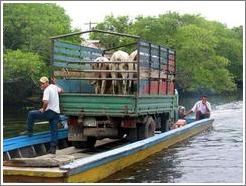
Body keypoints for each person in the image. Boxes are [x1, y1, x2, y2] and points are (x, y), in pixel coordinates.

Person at [20, 76, 63, 154]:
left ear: (47, 83)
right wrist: (55, 83)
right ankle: (53, 149)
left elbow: (45, 102)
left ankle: (29, 131)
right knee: (54, 131)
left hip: (50, 112)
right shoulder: (54, 86)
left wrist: (43, 109)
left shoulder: (47, 90)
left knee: (31, 114)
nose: (41, 85)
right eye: (40, 83)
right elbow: (61, 91)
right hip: (56, 113)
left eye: (43, 83)